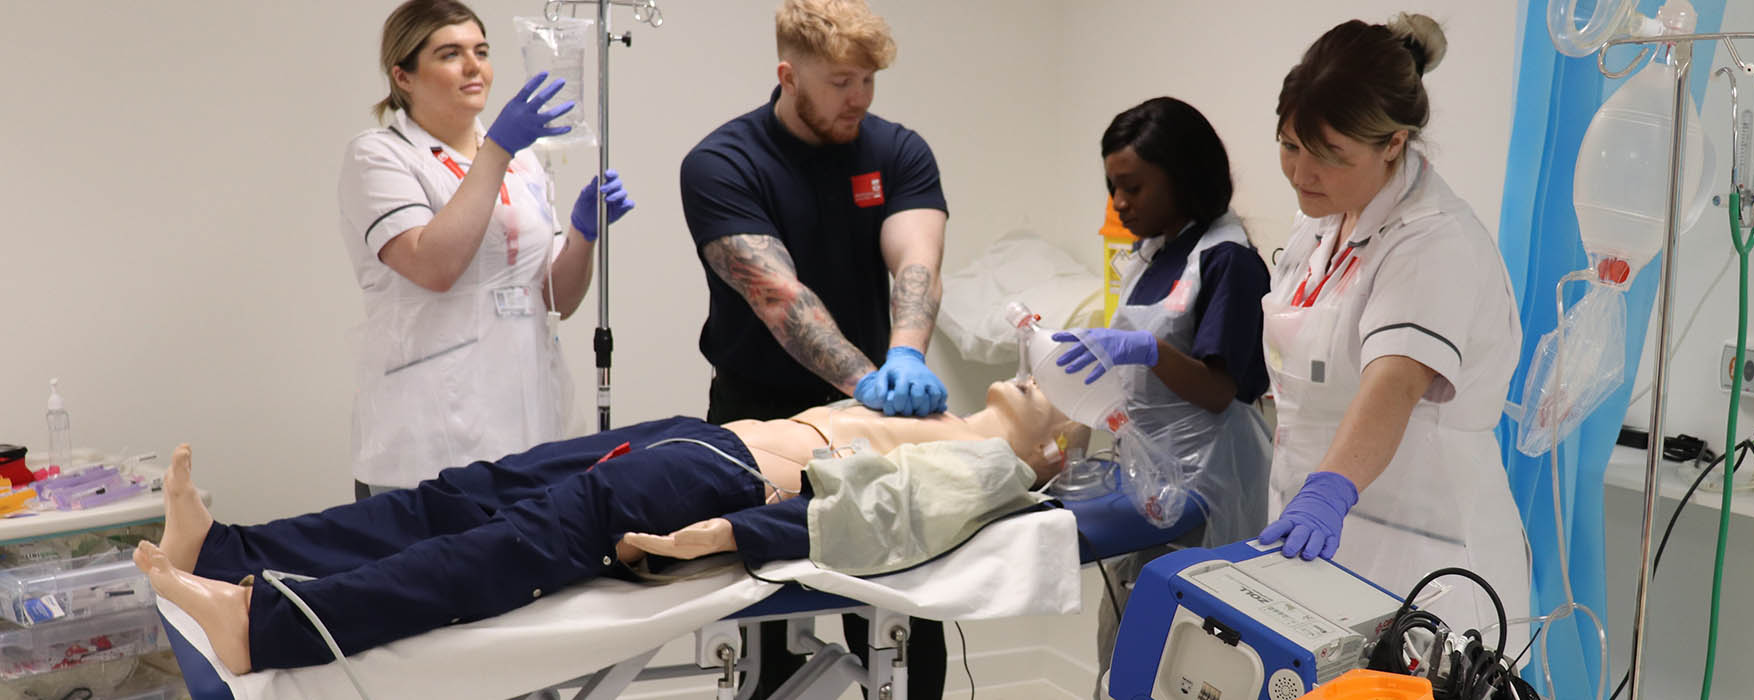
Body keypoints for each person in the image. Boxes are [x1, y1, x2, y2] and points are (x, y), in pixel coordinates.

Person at [139, 380, 1083, 676]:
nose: (1041, 389)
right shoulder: (947, 412)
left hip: (723, 477)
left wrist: (722, 539)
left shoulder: (990, 466)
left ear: (1050, 461)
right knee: (462, 496)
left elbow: (874, 519)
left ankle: (268, 624)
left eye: (1057, 415)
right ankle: (227, 552)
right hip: (696, 439)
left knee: (502, 552)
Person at [678, 1, 949, 694]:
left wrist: (907, 356)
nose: (857, 97)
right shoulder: (722, 163)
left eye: (868, 80)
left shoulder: (899, 150)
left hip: (874, 415)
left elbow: (916, 262)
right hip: (761, 411)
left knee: (904, 621)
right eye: (840, 82)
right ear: (788, 75)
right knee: (770, 630)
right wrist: (865, 380)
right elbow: (779, 297)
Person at [1253, 15, 1530, 636]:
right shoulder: (1323, 221)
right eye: (1291, 146)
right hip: (1325, 542)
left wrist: (1328, 491)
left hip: (1430, 562)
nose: (1302, 175)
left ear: (1394, 143)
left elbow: (1395, 384)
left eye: (1329, 157)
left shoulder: (1434, 240)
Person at [336, 0, 635, 499]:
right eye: (450, 54)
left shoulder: (526, 166)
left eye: (482, 50)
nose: (474, 67)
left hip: (527, 421)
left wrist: (583, 235)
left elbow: (554, 297)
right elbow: (433, 266)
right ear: (403, 76)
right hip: (426, 438)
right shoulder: (379, 155)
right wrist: (497, 148)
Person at [1050, 97, 1273, 671]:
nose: (1119, 203)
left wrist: (1148, 350)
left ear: (1183, 179)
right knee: (1127, 647)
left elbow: (1220, 391)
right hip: (1152, 482)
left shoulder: (1228, 260)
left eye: (1133, 187)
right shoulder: (1149, 255)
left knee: (1191, 657)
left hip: (1212, 486)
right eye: (1111, 187)